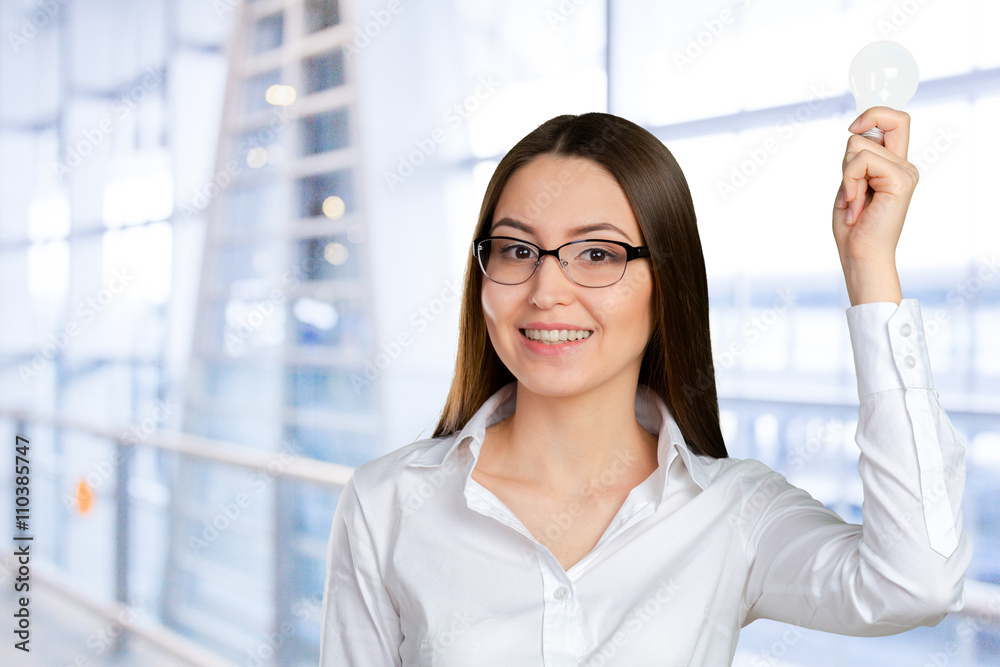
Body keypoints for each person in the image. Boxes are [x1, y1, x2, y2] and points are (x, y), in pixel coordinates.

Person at [319, 109, 971, 666]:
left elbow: (915, 583)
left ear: (666, 281)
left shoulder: (732, 511)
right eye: (518, 250)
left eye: (597, 254)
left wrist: (869, 264)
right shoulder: (387, 503)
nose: (547, 291)